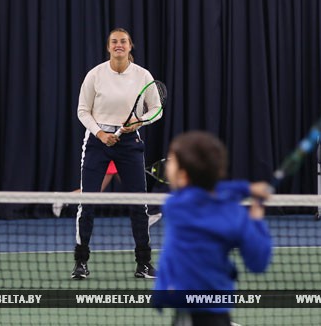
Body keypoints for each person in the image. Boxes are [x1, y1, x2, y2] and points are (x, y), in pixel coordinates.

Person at [153, 131, 273, 325]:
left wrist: (244, 189)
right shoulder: (235, 216)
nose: (166, 165)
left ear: (183, 177)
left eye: (171, 160)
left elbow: (214, 192)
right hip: (217, 310)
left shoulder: (175, 205)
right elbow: (258, 262)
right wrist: (257, 218)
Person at [74, 28, 162, 280]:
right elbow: (82, 111)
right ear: (108, 47)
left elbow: (156, 109)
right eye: (114, 42)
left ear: (130, 46)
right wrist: (100, 133)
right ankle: (81, 262)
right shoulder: (95, 74)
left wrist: (140, 122)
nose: (119, 45)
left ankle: (143, 263)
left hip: (129, 143)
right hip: (96, 141)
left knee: (138, 205)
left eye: (123, 41)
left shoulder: (143, 75)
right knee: (87, 203)